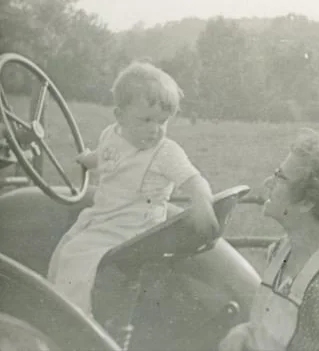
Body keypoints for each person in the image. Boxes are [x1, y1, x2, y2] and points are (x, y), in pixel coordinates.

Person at [47, 61, 220, 315]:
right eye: (147, 120)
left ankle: (75, 321)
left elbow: (194, 180)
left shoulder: (166, 152)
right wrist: (88, 159)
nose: (155, 130)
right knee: (65, 247)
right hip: (106, 219)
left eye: (163, 121)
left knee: (76, 255)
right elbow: (104, 157)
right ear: (120, 116)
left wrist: (203, 203)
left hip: (138, 229)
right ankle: (57, 306)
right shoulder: (112, 135)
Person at [219, 128, 319, 351]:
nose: (268, 182)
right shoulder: (283, 252)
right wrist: (246, 333)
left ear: (308, 201)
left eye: (280, 178)